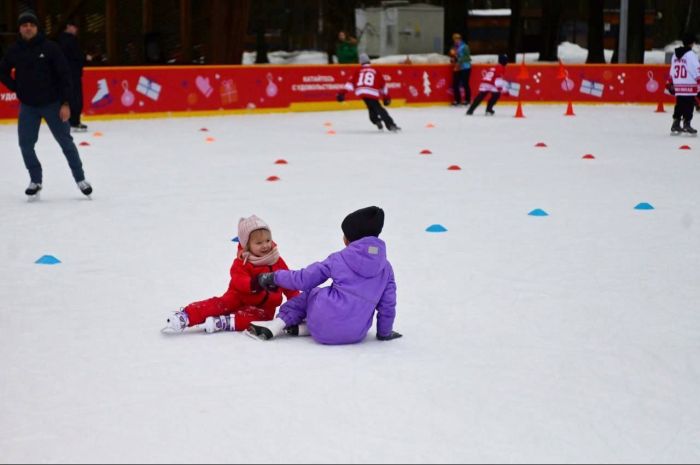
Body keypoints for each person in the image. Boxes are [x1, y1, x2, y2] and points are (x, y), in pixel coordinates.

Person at [247, 206, 401, 345]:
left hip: (321, 323)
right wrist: (384, 333)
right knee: (331, 303)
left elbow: (304, 279)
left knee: (311, 294)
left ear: (349, 240)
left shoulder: (338, 259)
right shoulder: (386, 269)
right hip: (355, 334)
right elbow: (387, 306)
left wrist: (274, 277)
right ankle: (304, 329)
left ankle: (278, 324)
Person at [0, 11, 92, 198]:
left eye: (31, 25)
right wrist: (16, 88)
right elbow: (2, 71)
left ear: (37, 27)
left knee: (66, 143)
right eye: (24, 25)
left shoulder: (50, 48)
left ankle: (81, 179)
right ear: (20, 29)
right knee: (25, 145)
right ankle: (36, 180)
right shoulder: (14, 50)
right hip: (28, 107)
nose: (28, 28)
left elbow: (65, 76)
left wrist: (66, 103)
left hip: (53, 104)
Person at [162, 215, 300, 334]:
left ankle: (225, 322)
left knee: (262, 320)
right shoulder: (242, 262)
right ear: (247, 245)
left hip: (265, 308)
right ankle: (186, 316)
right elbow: (239, 281)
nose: (265, 245)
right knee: (220, 304)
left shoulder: (277, 261)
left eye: (268, 240)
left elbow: (289, 284)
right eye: (259, 243)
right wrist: (256, 282)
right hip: (238, 297)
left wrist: (299, 305)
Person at [336, 53, 401, 132]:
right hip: (372, 91)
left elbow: (350, 84)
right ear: (369, 61)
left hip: (361, 91)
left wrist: (341, 93)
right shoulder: (376, 70)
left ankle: (376, 120)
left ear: (360, 62)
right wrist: (386, 97)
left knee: (371, 107)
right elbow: (383, 85)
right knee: (379, 109)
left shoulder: (358, 70)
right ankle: (390, 125)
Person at [58, 18, 88, 132]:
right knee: (75, 98)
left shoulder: (60, 40)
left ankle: (69, 120)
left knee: (69, 98)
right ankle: (74, 121)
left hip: (67, 74)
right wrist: (84, 57)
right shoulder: (70, 41)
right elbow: (77, 56)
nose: (76, 30)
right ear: (69, 26)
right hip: (72, 74)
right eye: (74, 27)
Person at [666, 33, 699, 135]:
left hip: (679, 84)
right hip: (689, 84)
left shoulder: (675, 55)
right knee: (689, 104)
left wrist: (670, 81)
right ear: (692, 43)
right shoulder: (691, 55)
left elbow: (672, 69)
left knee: (680, 104)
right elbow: (696, 69)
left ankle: (676, 123)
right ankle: (687, 124)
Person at [449, 33, 472, 106]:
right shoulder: (453, 47)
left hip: (465, 67)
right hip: (457, 67)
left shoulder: (465, 47)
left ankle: (467, 100)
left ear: (460, 39)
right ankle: (457, 100)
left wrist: (459, 61)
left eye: (457, 39)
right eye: (454, 39)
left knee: (465, 84)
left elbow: (467, 57)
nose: (456, 40)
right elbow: (453, 56)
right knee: (455, 83)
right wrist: (452, 59)